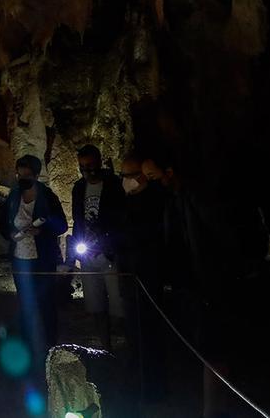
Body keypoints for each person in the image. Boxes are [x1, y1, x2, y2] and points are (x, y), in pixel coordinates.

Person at [0, 154, 68, 373]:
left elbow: (61, 225)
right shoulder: (14, 196)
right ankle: (29, 348)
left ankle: (50, 348)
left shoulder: (47, 197)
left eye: (27, 175)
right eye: (19, 175)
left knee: (46, 304)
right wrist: (10, 233)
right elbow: (2, 221)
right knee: (26, 303)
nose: (22, 179)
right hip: (21, 259)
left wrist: (42, 230)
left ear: (37, 176)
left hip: (42, 258)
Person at [115, 153, 171, 401]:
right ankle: (137, 379)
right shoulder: (126, 202)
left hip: (147, 276)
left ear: (141, 176)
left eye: (128, 176)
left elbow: (147, 238)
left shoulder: (155, 202)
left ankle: (153, 386)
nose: (125, 181)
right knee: (133, 332)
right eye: (122, 176)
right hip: (129, 277)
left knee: (150, 333)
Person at [70, 144, 126, 349]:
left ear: (100, 162)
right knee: (96, 306)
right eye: (83, 166)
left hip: (109, 254)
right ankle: (106, 348)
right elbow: (77, 219)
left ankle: (129, 348)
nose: (88, 170)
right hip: (88, 255)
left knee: (120, 307)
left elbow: (121, 217)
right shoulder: (78, 188)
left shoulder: (113, 185)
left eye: (91, 165)